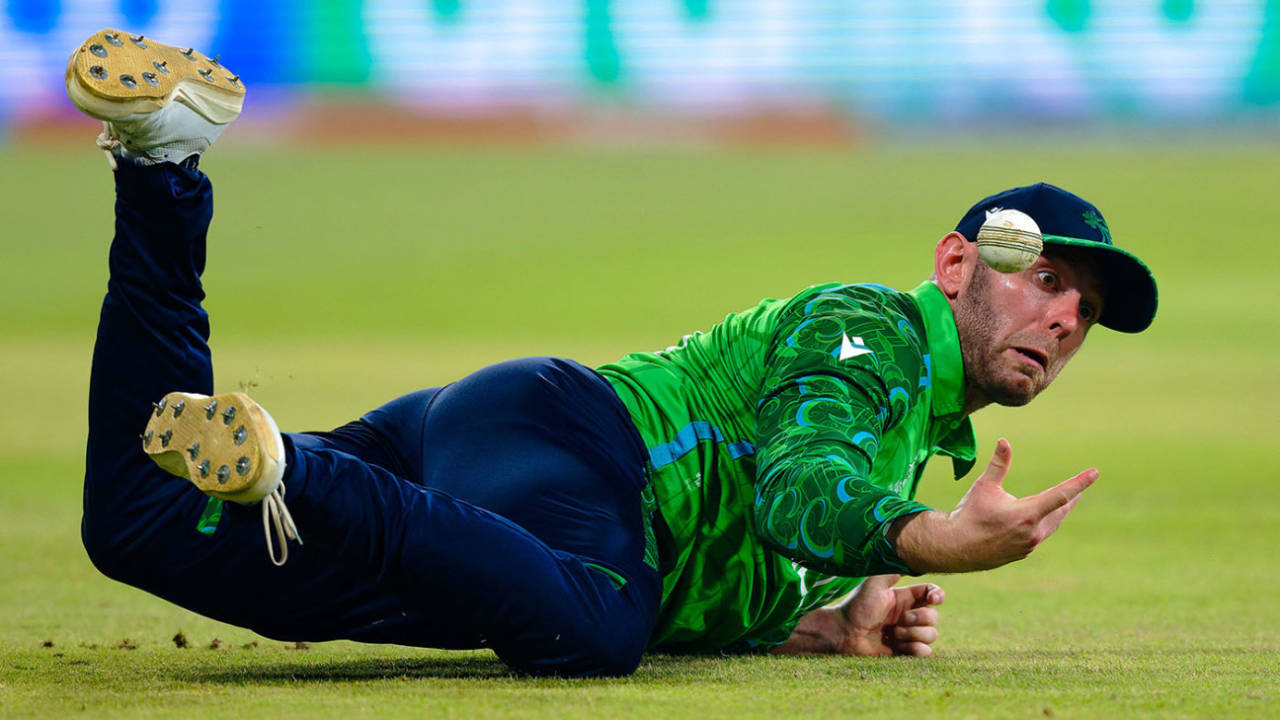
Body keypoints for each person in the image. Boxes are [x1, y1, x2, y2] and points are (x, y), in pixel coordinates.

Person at [69, 30, 1158, 677]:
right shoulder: (870, 333)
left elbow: (742, 546)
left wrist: (817, 625)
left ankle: (162, 163)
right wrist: (921, 542)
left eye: (1085, 311)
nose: (1064, 318)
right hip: (574, 443)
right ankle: (298, 471)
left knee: (140, 526)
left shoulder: (909, 424)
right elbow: (795, 491)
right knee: (593, 628)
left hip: (500, 467)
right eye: (1046, 279)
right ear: (954, 263)